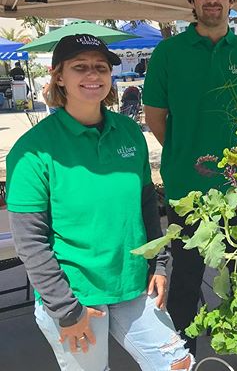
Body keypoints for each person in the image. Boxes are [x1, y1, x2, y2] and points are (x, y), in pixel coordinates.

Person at [6, 34, 192, 371]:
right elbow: (30, 242)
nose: (93, 75)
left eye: (101, 68)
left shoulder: (129, 133)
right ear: (59, 76)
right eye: (80, 67)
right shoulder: (33, 149)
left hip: (134, 284)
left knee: (177, 364)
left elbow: (146, 204)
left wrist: (159, 263)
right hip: (75, 296)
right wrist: (65, 310)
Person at [143, 0, 237, 354]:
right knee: (187, 279)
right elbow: (156, 117)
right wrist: (185, 150)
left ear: (232, 0)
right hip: (187, 189)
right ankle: (183, 352)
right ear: (191, 1)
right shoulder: (168, 53)